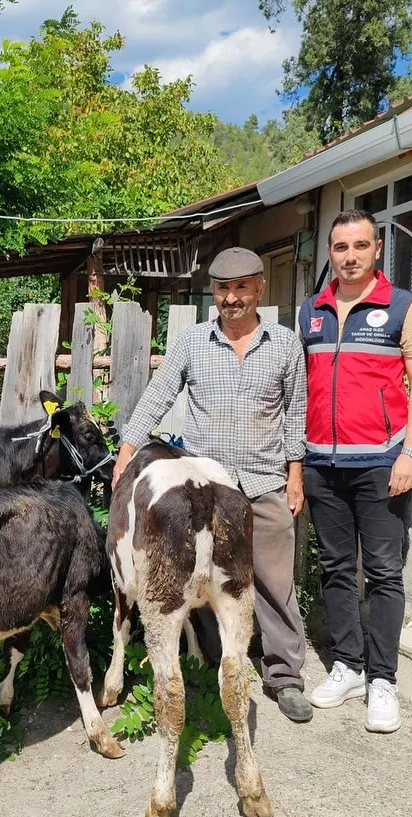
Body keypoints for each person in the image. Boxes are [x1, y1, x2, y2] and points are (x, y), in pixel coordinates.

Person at [113, 247, 312, 723]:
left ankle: (284, 676)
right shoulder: (192, 343)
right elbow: (157, 396)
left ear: (260, 288)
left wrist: (296, 474)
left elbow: (297, 413)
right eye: (223, 288)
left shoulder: (285, 345)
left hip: (264, 483)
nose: (232, 297)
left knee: (274, 582)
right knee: (197, 579)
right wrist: (125, 454)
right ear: (214, 293)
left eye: (242, 287)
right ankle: (210, 668)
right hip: (204, 490)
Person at [299, 209, 412, 733]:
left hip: (382, 464)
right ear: (330, 253)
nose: (350, 256)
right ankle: (347, 666)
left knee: (381, 572)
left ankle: (383, 680)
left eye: (360, 246)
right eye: (340, 247)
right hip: (322, 464)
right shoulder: (311, 310)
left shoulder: (406, 307)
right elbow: (302, 389)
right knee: (335, 568)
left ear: (377, 249)